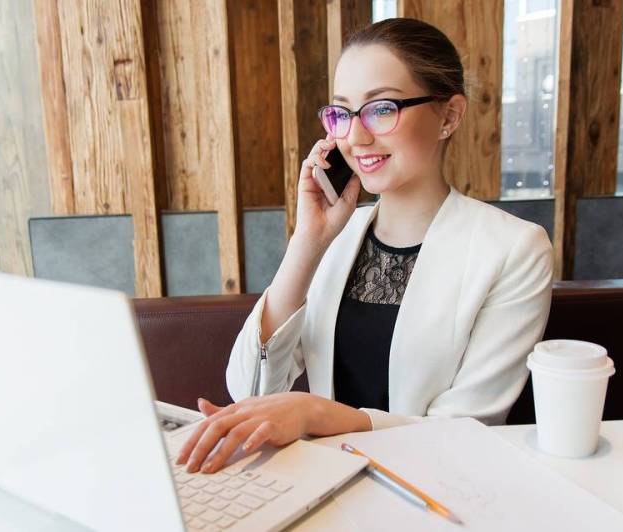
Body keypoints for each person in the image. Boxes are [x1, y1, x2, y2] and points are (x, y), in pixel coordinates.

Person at [178, 17, 553, 474]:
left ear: (449, 116)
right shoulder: (335, 238)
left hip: (432, 491)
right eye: (341, 113)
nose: (355, 137)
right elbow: (249, 387)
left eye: (381, 109)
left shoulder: (515, 249)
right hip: (318, 483)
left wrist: (320, 414)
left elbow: (468, 428)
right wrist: (306, 243)